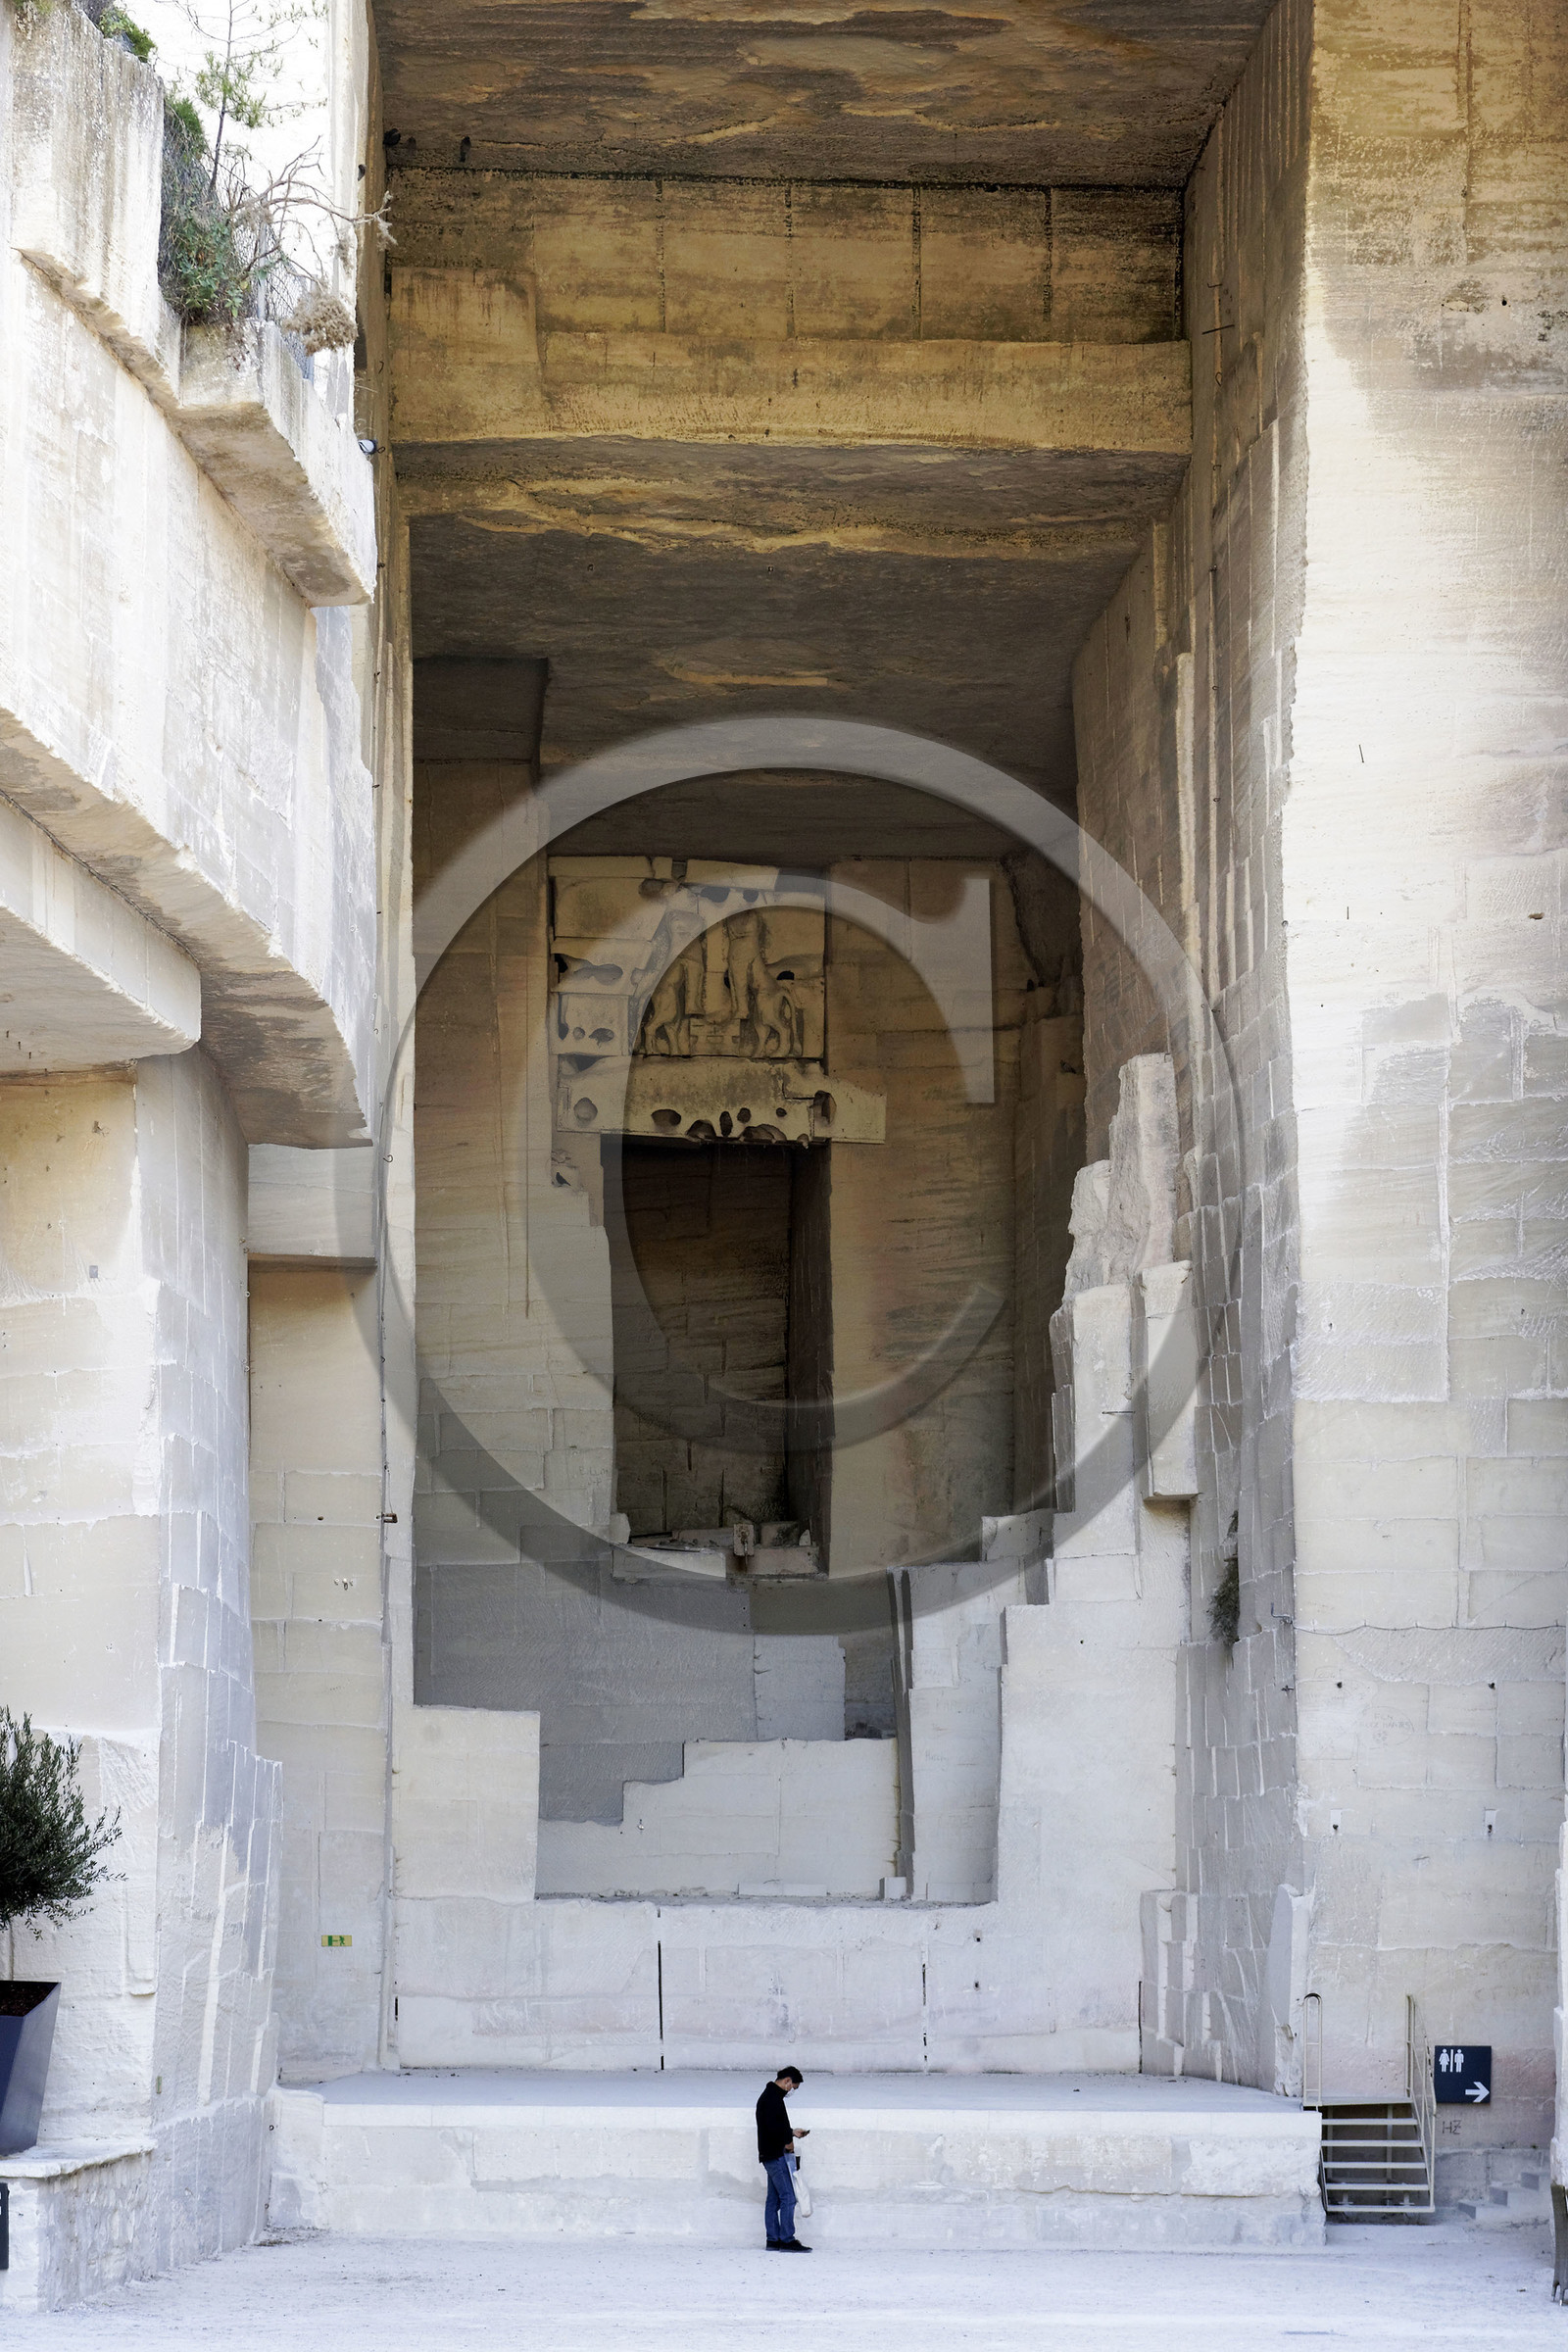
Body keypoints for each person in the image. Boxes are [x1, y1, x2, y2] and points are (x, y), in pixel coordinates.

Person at [756, 2065, 811, 2250]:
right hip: (775, 2154)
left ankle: (773, 2239)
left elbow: (773, 2125)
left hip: (768, 2154)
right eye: (793, 2087)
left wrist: (791, 2132)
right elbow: (775, 2129)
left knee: (773, 2199)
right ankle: (787, 2239)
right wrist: (789, 2141)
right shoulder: (773, 2099)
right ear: (787, 2081)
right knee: (788, 2197)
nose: (792, 2091)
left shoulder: (769, 2096)